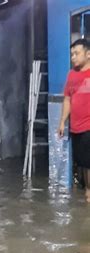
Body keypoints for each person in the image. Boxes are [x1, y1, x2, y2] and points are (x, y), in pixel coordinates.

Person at [58, 39, 90, 202]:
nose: (73, 57)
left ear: (88, 54)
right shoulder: (72, 75)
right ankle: (87, 191)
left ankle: (89, 193)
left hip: (88, 126)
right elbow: (67, 99)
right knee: (83, 162)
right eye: (72, 54)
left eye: (77, 53)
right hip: (76, 127)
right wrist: (62, 122)